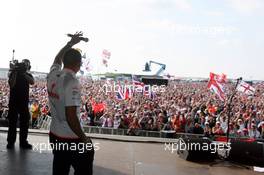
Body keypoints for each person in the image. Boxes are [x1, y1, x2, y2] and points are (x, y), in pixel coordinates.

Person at [47, 32, 94, 175]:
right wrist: (83, 138)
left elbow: (56, 58)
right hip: (70, 138)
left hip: (54, 134)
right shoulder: (72, 82)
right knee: (84, 168)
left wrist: (70, 44)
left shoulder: (53, 74)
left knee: (60, 169)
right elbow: (71, 116)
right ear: (79, 64)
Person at [7, 59, 34, 149]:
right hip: (13, 102)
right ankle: (11, 142)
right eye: (23, 63)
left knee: (24, 123)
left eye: (26, 64)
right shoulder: (13, 73)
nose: (25, 65)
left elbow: (32, 82)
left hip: (24, 102)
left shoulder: (28, 74)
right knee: (12, 123)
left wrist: (23, 73)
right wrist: (15, 71)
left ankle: (23, 142)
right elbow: (12, 84)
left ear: (28, 66)